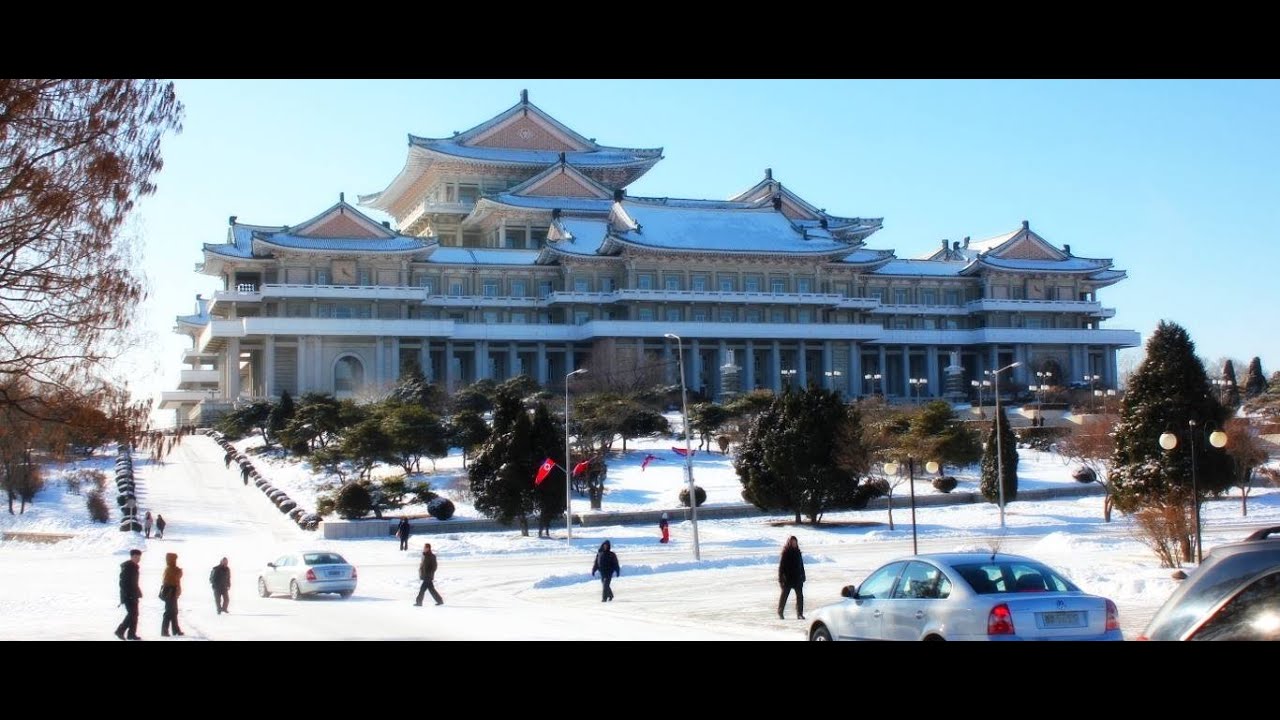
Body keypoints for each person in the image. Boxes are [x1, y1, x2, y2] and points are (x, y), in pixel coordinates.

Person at [114, 549, 143, 640]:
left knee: (135, 614)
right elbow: (123, 583)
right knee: (132, 614)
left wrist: (138, 592)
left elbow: (134, 582)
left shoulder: (134, 567)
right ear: (132, 557)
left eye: (139, 557)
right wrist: (127, 594)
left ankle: (131, 634)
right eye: (136, 557)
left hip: (133, 595)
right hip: (128, 596)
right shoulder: (128, 567)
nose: (138, 559)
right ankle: (120, 631)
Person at [777, 535, 806, 620]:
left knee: (800, 597)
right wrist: (780, 579)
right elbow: (781, 567)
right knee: (784, 596)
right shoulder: (785, 553)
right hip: (788, 579)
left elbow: (801, 565)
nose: (794, 544)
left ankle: (799, 614)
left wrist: (803, 575)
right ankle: (780, 611)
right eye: (792, 542)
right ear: (789, 543)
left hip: (797, 578)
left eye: (795, 542)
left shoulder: (798, 552)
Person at [160, 552, 184, 636]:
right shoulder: (170, 568)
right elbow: (177, 575)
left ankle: (175, 630)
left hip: (172, 593)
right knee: (169, 612)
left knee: (174, 612)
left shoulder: (171, 568)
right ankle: (164, 631)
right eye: (174, 559)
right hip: (170, 593)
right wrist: (180, 571)